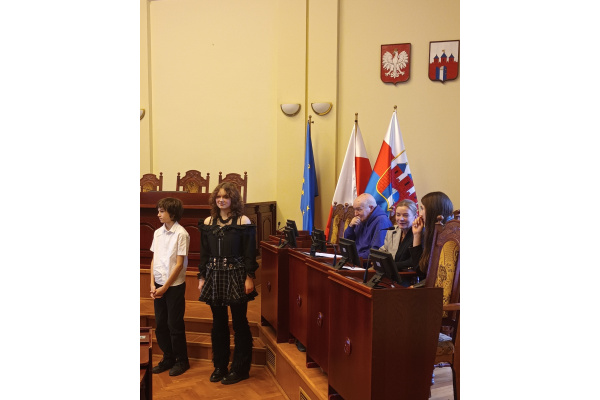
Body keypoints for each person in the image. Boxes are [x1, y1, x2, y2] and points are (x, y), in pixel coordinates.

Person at [198, 182, 259, 385]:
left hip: (236, 275)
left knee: (239, 322)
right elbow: (204, 253)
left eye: (225, 196)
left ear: (233, 199)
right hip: (214, 275)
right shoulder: (208, 221)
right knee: (218, 322)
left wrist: (249, 277)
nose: (221, 200)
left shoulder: (243, 221)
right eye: (218, 196)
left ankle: (240, 368)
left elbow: (250, 253)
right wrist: (202, 277)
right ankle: (220, 366)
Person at [150, 197, 191, 376]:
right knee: (160, 324)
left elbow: (179, 264)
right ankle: (168, 357)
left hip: (173, 285)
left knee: (174, 324)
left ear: (172, 213)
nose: (158, 214)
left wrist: (165, 287)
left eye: (162, 211)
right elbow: (154, 259)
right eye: (158, 211)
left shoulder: (181, 234)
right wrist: (152, 283)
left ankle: (182, 361)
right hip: (159, 283)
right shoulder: (157, 233)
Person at [409, 191, 454, 280]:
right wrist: (417, 234)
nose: (420, 214)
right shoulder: (430, 232)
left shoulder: (447, 235)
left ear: (432, 210)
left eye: (422, 209)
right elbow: (421, 270)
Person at [343, 193, 393, 260]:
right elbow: (348, 243)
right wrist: (351, 227)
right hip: (357, 259)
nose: (355, 214)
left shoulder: (381, 221)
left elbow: (376, 251)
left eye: (359, 209)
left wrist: (354, 257)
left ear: (371, 208)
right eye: (354, 209)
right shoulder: (363, 218)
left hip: (365, 262)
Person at [379, 199, 418, 273]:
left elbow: (412, 262)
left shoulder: (418, 234)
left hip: (404, 274)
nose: (401, 219)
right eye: (398, 215)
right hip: (388, 271)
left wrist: (389, 265)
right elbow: (383, 250)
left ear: (415, 217)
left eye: (405, 215)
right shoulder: (392, 230)